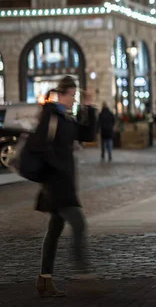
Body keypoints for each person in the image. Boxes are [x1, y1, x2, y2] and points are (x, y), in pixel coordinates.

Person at [33, 76, 97, 296]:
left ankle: (44, 279)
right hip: (56, 183)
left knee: (54, 230)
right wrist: (56, 168)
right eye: (72, 96)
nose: (73, 100)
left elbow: (87, 134)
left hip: (64, 182)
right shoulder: (50, 116)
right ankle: (83, 274)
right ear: (61, 94)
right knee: (79, 224)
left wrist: (88, 107)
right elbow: (39, 146)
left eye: (75, 96)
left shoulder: (66, 118)